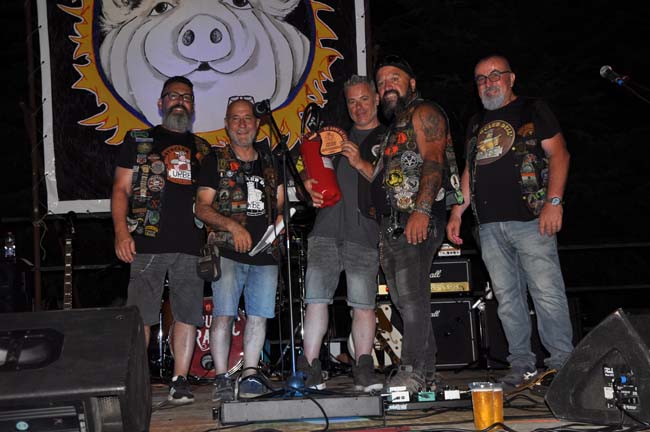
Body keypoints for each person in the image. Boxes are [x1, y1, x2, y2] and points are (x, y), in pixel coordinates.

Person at [446, 54, 573, 387]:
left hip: (532, 218)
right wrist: (457, 211)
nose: (488, 83)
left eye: (494, 75)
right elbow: (470, 170)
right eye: (481, 79)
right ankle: (522, 365)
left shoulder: (532, 109)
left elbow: (559, 154)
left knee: (546, 293)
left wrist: (554, 202)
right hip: (489, 225)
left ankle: (562, 365)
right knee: (507, 299)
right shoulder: (476, 122)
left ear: (511, 78)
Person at [111, 76, 210, 405]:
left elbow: (212, 200)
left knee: (188, 314)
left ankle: (180, 380)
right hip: (147, 241)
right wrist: (121, 232)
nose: (180, 101)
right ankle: (136, 383)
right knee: (141, 315)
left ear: (193, 106)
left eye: (186, 97)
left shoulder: (204, 150)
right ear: (160, 103)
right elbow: (120, 189)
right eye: (173, 95)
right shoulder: (139, 140)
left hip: (191, 243)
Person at [297, 75, 386, 392]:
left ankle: (363, 369)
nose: (358, 107)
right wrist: (306, 186)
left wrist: (360, 162)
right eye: (352, 101)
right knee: (315, 300)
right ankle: (310, 369)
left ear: (376, 99)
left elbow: (395, 186)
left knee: (363, 304)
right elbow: (310, 173)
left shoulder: (390, 138)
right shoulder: (333, 137)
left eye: (364, 99)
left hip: (363, 231)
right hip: (325, 230)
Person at [195, 96, 284, 401]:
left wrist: (281, 220)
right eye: (235, 118)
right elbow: (201, 207)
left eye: (247, 118)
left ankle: (250, 374)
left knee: (259, 316)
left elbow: (281, 202)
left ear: (258, 123)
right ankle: (222, 378)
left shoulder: (270, 160)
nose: (242, 124)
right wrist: (233, 227)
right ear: (226, 124)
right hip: (228, 251)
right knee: (224, 314)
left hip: (265, 252)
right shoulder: (215, 160)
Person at [374, 55, 454, 393]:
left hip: (417, 217)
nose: (387, 86)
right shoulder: (395, 127)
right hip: (394, 223)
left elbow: (434, 160)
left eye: (394, 78)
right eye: (381, 82)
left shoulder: (424, 112)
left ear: (412, 83)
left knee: (411, 298)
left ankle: (411, 370)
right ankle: (429, 374)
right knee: (408, 300)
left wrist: (421, 210)